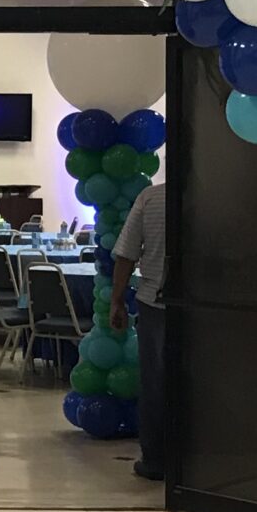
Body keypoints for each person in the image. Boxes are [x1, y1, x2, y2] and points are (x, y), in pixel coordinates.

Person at [109, 179, 167, 481]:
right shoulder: (214, 200)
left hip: (155, 304)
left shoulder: (150, 198)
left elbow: (127, 254)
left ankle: (156, 459)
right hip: (203, 307)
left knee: (155, 384)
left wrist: (117, 300)